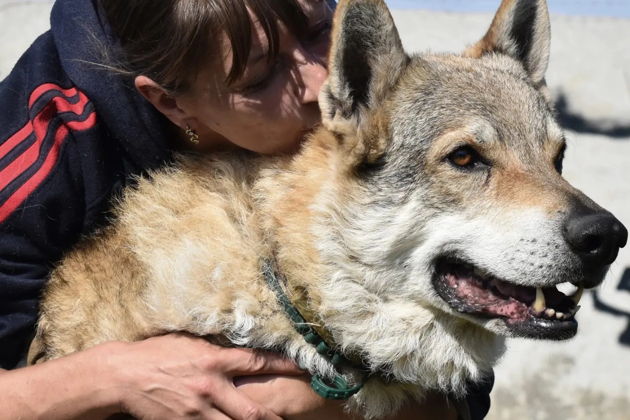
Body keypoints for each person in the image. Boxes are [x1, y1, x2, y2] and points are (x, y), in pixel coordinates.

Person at [0, 0, 493, 418]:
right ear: (172, 104)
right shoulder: (39, 150)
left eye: (320, 30)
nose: (321, 81)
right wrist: (117, 376)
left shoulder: (356, 65)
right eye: (261, 78)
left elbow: (459, 377)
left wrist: (318, 398)